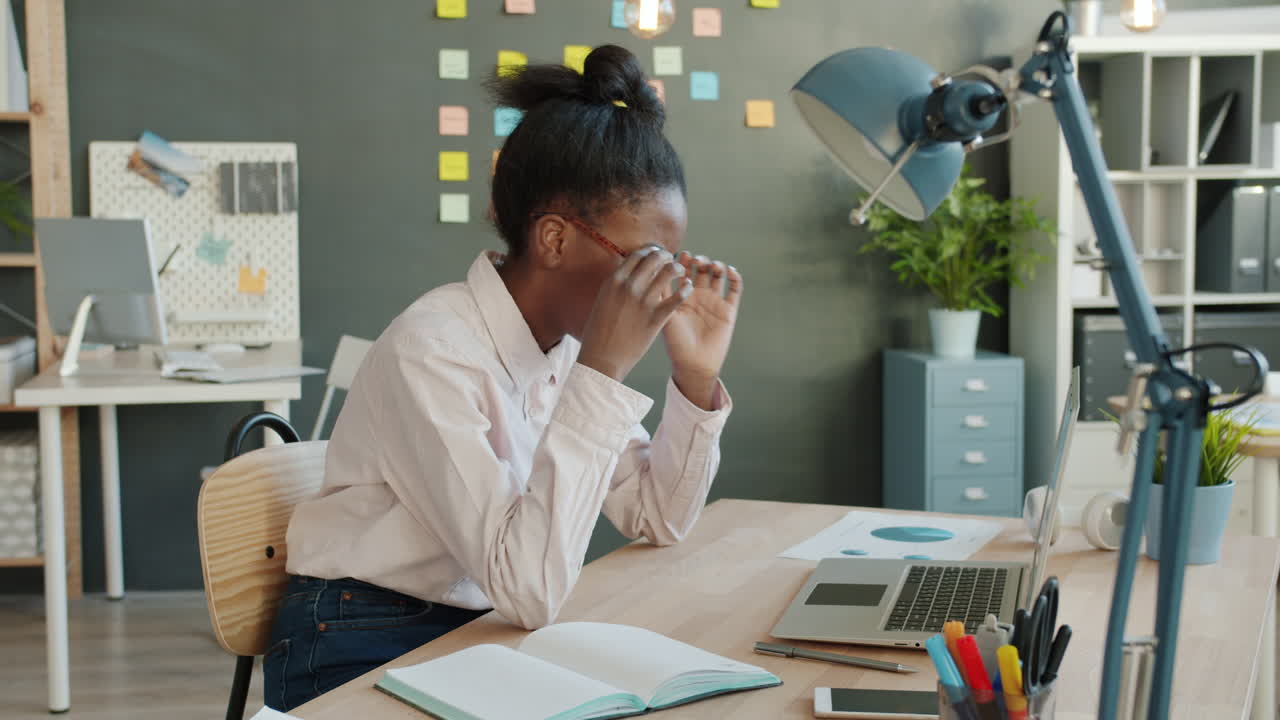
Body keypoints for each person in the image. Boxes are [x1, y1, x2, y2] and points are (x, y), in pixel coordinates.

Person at [263, 44, 744, 711]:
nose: (662, 290)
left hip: (481, 621)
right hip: (358, 631)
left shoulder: (564, 349)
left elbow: (655, 517)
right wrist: (602, 372)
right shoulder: (432, 352)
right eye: (643, 261)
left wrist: (694, 379)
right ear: (553, 240)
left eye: (671, 262)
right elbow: (530, 590)